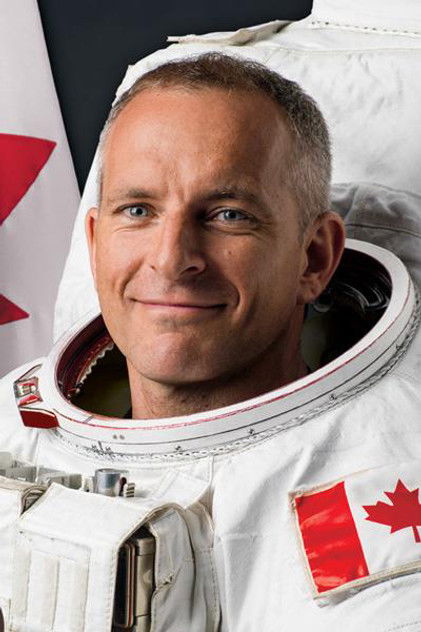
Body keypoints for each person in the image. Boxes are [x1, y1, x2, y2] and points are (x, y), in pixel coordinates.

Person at [1, 53, 421, 631]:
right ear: (95, 244)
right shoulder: (15, 429)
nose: (171, 259)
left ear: (313, 257)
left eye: (227, 215)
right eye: (138, 210)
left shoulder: (390, 478)